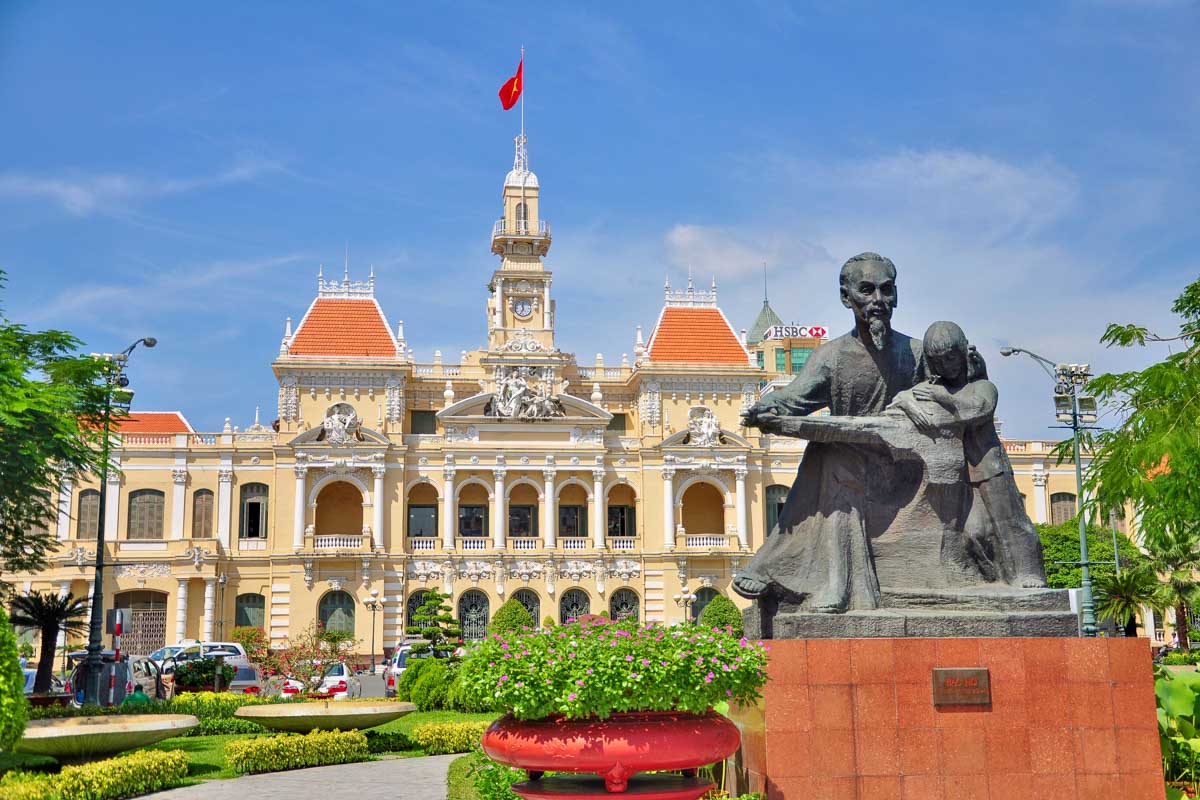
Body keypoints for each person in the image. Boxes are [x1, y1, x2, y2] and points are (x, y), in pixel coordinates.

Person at [735, 252, 926, 611]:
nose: (878, 301)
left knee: (834, 457)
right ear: (846, 297)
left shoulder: (916, 353)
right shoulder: (831, 356)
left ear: (897, 295)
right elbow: (794, 397)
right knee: (832, 454)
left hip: (905, 467)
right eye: (867, 291)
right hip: (850, 463)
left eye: (886, 291)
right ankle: (830, 582)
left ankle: (831, 587)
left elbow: (952, 395)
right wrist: (769, 407)